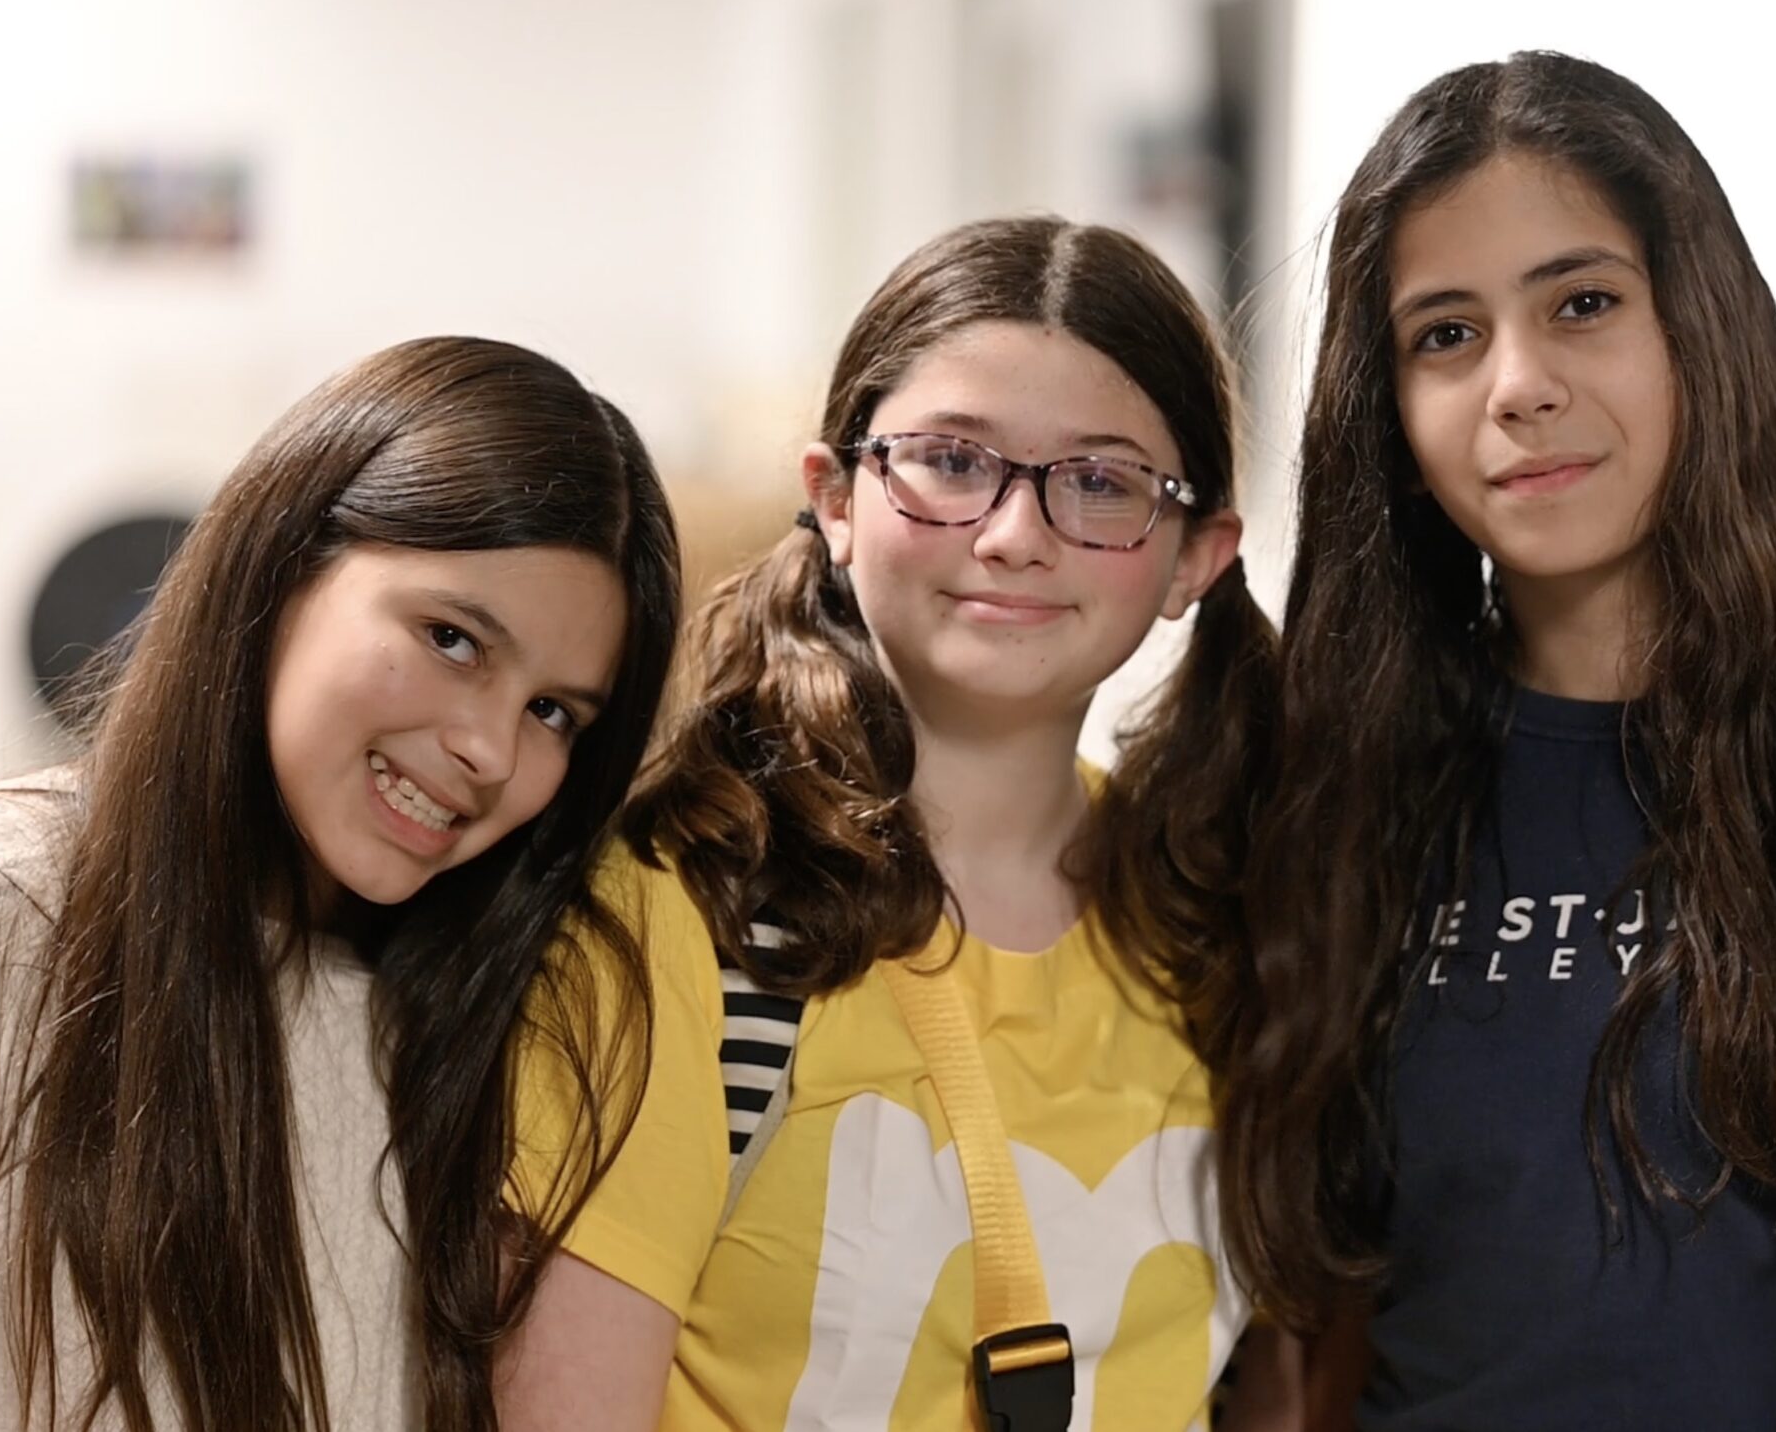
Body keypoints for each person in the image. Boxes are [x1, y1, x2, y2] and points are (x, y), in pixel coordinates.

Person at [495, 216, 1279, 1431]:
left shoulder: (1228, 923)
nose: (1015, 534)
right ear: (835, 496)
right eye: (953, 462)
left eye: (1101, 480)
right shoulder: (687, 903)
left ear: (1196, 556)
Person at [1215, 50, 1776, 1429]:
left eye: (1584, 303)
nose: (1517, 384)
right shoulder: (1332, 776)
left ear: (1700, 325)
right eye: (1446, 333)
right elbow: (1294, 1306)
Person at [0, 335, 682, 1432]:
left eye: (553, 713)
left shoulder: (512, 1017)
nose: (490, 747)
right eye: (452, 637)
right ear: (282, 566)